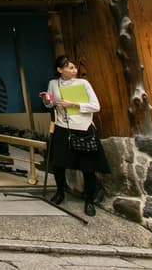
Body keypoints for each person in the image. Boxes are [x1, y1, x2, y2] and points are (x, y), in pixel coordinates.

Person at [41, 55, 110, 216]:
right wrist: (47, 100)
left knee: (88, 167)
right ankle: (60, 192)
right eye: (69, 67)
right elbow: (51, 104)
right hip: (62, 126)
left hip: (83, 127)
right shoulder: (53, 83)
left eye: (74, 67)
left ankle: (89, 200)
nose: (74, 70)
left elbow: (95, 106)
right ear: (60, 70)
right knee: (58, 163)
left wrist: (74, 104)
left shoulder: (83, 83)